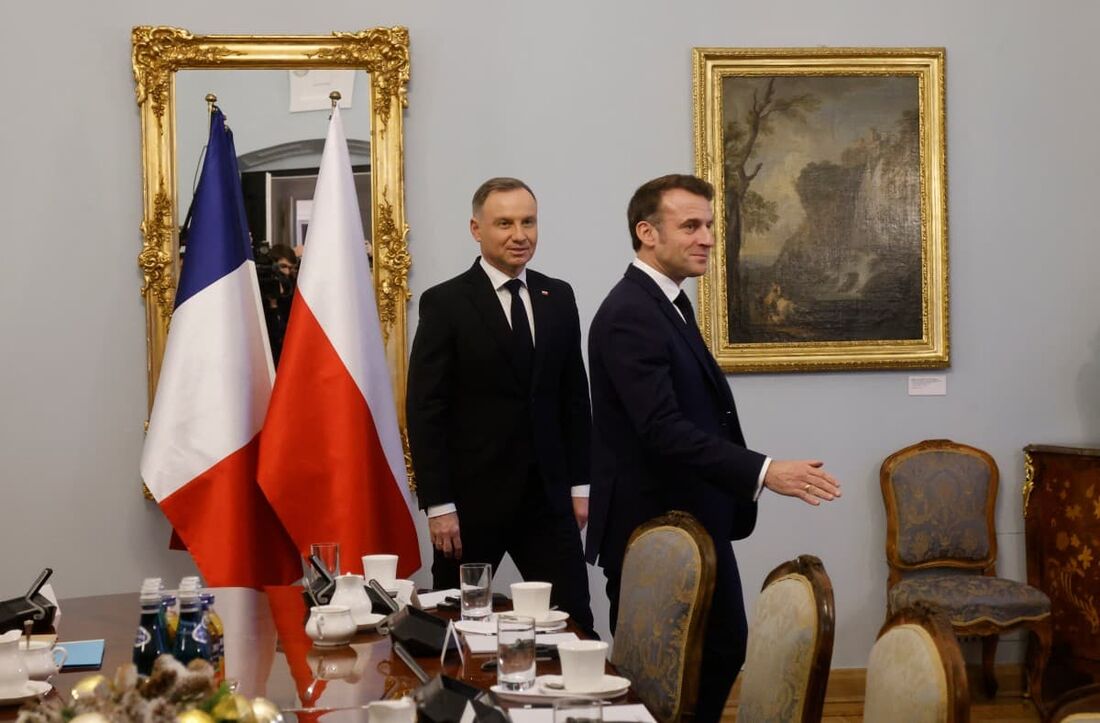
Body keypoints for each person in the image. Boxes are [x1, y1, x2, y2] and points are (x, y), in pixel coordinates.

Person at [585, 174, 841, 722]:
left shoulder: (668, 302)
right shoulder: (632, 311)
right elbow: (661, 428)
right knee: (659, 673)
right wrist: (765, 471)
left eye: (710, 226)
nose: (707, 238)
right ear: (646, 232)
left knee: (718, 650)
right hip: (653, 529)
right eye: (691, 226)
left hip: (690, 520)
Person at [406, 177, 595, 634]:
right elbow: (425, 409)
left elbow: (574, 396)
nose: (520, 234)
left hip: (549, 501)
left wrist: (580, 486)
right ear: (476, 228)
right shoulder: (446, 302)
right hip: (469, 506)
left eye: (528, 222)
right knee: (454, 629)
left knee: (573, 624)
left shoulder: (559, 296)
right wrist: (439, 506)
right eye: (505, 223)